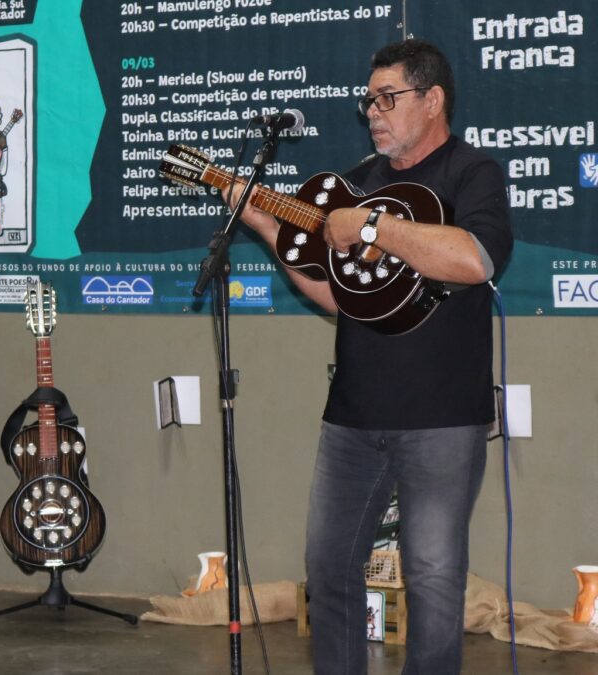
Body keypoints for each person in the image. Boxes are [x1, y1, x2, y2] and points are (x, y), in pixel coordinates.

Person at [226, 39, 512, 674]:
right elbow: (335, 296)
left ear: (432, 100)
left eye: (388, 98)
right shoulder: (358, 182)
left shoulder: (472, 173)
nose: (374, 112)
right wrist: (267, 225)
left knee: (434, 581)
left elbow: (474, 260)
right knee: (328, 570)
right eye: (368, 100)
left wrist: (376, 228)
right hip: (352, 418)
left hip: (443, 420)